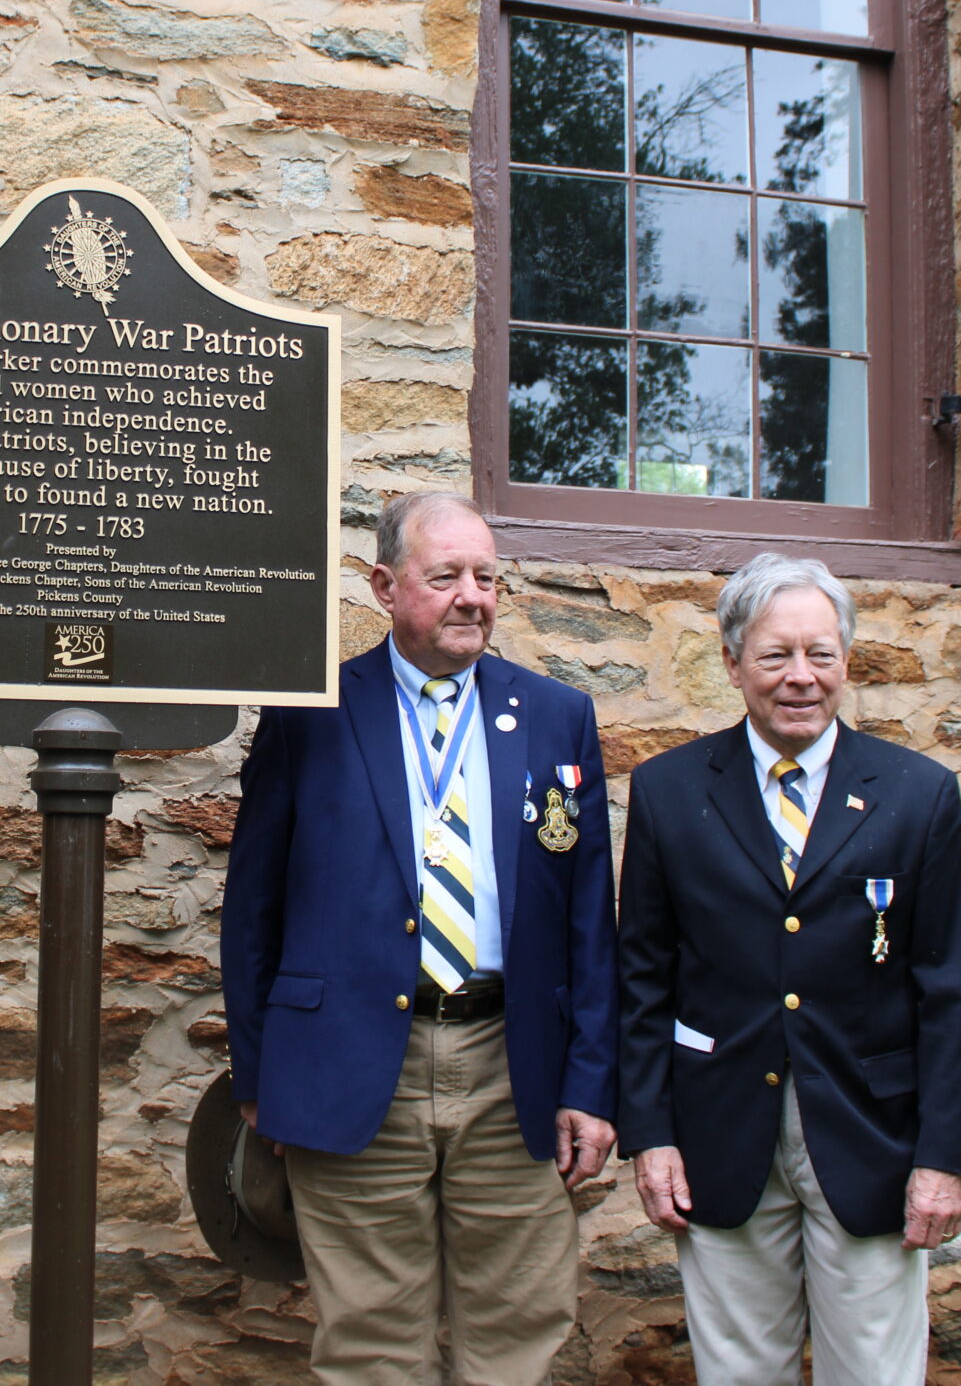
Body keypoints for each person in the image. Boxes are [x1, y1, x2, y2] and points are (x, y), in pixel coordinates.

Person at [222, 490, 618, 1386]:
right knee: (370, 1341)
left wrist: (591, 1081)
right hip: (355, 1061)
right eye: (446, 577)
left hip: (511, 1065)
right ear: (384, 586)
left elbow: (589, 915)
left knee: (518, 1328)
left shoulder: (557, 716)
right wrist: (259, 1075)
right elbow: (252, 910)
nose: (472, 595)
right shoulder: (310, 710)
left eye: (486, 576)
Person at [617, 552, 961, 1386]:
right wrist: (650, 1132)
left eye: (820, 654)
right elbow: (642, 978)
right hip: (718, 1132)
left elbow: (952, 992)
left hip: (872, 1137)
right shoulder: (671, 790)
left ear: (845, 661)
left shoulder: (918, 793)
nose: (800, 678)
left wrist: (945, 1156)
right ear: (731, 660)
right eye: (775, 655)